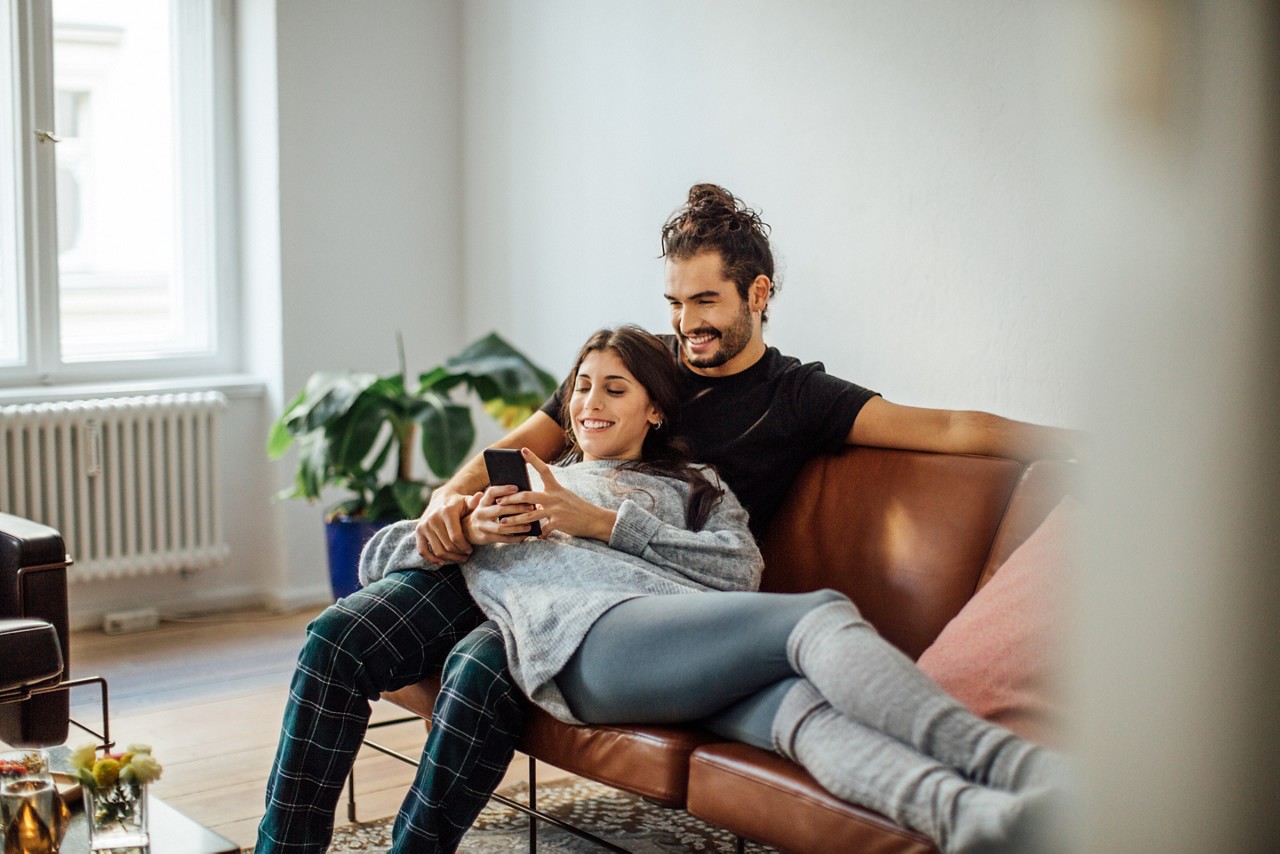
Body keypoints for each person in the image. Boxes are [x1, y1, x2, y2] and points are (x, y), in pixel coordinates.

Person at [256, 183, 1077, 853]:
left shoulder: (795, 399)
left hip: (641, 602)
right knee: (340, 640)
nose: (687, 325)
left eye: (707, 302)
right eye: (676, 302)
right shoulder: (636, 363)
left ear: (759, 295)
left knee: (496, 676)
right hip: (523, 568)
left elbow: (949, 430)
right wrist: (449, 501)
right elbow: (528, 441)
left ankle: (983, 811)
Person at [363, 326, 1067, 853]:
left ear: (653, 412)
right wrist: (461, 523)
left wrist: (608, 524)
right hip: (583, 642)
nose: (591, 403)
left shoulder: (696, 487)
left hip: (678, 641)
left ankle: (973, 820)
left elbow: (737, 571)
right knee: (817, 616)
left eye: (615, 388)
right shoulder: (521, 488)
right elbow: (386, 555)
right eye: (582, 387)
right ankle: (1016, 767)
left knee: (803, 713)